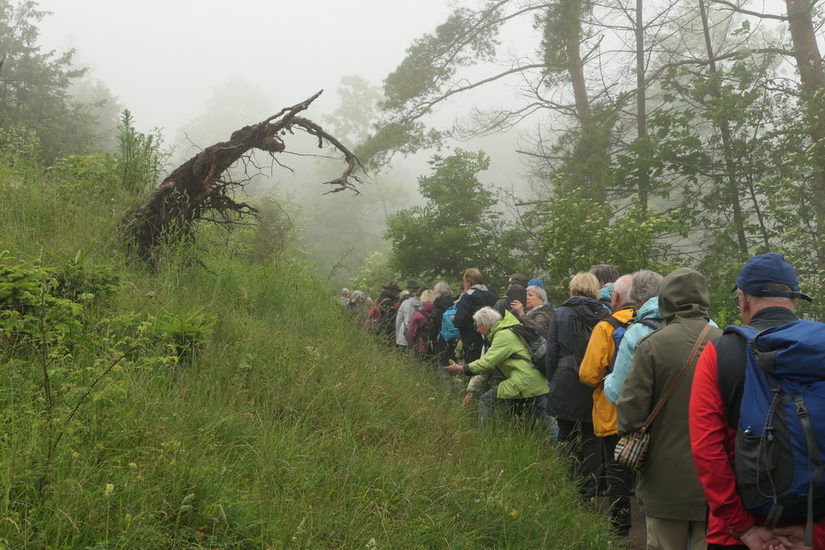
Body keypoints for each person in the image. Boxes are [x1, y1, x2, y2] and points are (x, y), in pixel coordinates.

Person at [689, 253, 825, 549]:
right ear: (795, 300)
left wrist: (744, 528)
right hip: (812, 530)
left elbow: (707, 450)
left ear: (743, 300)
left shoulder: (720, 352)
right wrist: (816, 533)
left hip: (735, 535)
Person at [616, 268, 721, 550]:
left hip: (663, 481)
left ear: (665, 300)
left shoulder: (651, 346)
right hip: (715, 481)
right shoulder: (727, 342)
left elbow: (629, 415)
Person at [579, 273, 636, 537]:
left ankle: (620, 527)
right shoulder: (656, 322)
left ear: (614, 297)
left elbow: (589, 374)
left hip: (613, 409)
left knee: (616, 471)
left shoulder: (606, 326)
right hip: (650, 410)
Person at [545, 272, 608, 501]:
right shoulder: (605, 314)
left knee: (566, 434)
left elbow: (551, 352)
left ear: (574, 289)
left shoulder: (561, 313)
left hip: (566, 378)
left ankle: (569, 484)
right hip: (595, 383)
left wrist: (552, 379)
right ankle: (589, 489)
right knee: (594, 438)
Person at [445, 306, 549, 425]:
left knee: (486, 400)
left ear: (486, 324)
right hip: (537, 380)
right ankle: (560, 443)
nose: (478, 330)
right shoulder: (509, 330)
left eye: (478, 326)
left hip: (525, 380)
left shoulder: (503, 336)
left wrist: (463, 368)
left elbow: (487, 363)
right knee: (545, 421)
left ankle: (484, 437)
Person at [604, 269, 663, 405]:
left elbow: (616, 392)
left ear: (640, 301)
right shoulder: (707, 326)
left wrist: (608, 380)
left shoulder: (635, 332)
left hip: (647, 415)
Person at [453, 268, 497, 364]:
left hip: (471, 340)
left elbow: (458, 321)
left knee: (471, 369)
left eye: (464, 281)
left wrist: (454, 319)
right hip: (490, 341)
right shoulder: (492, 296)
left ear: (468, 281)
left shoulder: (467, 296)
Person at [407, 289, 435, 357]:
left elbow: (411, 332)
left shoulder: (417, 314)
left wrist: (410, 346)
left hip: (421, 345)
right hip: (435, 346)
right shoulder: (438, 312)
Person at [395, 285, 422, 352]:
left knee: (402, 359)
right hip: (420, 338)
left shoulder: (405, 303)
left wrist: (397, 337)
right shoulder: (426, 305)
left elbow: (399, 321)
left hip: (404, 336)